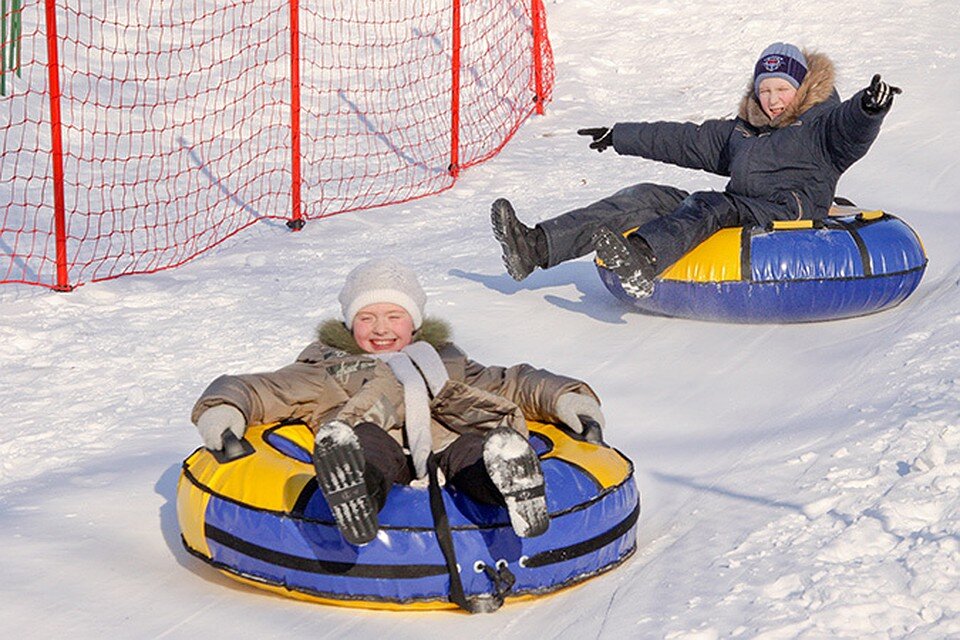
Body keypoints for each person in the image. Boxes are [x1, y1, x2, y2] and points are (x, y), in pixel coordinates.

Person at [191, 258, 605, 545]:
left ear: (415, 323)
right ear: (350, 325)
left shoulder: (446, 362)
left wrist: (568, 398)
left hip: (444, 448)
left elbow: (512, 382)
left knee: (473, 449)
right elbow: (264, 389)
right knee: (366, 443)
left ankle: (508, 487)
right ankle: (356, 492)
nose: (381, 329)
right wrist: (224, 409)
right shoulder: (328, 368)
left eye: (394, 317)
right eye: (367, 318)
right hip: (375, 444)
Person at [492, 42, 901, 298]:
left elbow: (851, 129)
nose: (774, 99)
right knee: (649, 195)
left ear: (801, 88)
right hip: (744, 205)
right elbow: (684, 140)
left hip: (787, 212)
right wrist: (620, 135)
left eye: (782, 89)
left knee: (710, 204)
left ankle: (642, 262)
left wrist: (870, 107)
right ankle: (536, 246)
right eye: (765, 89)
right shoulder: (744, 130)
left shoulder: (821, 123)